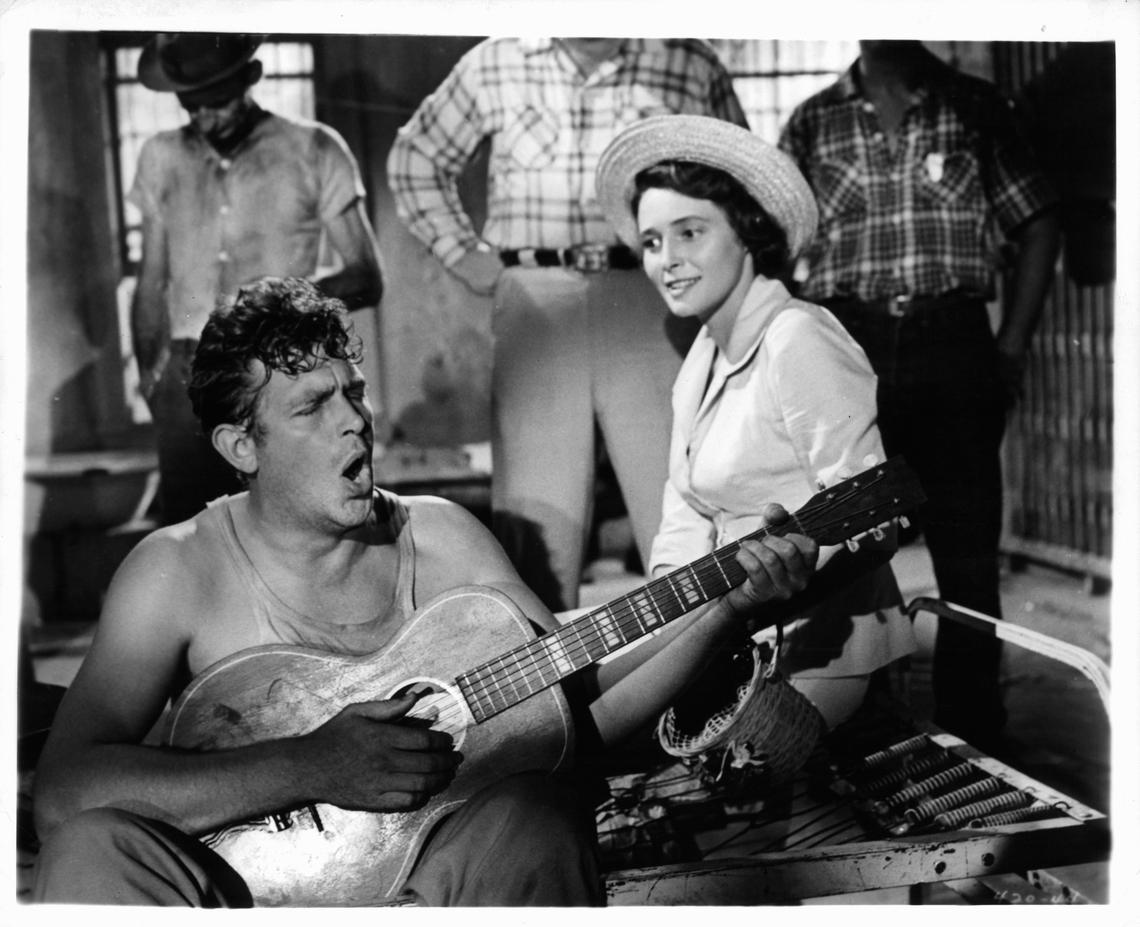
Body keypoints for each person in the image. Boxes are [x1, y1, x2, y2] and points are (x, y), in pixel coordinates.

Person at [31, 276, 820, 906]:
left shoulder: (441, 536)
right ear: (242, 446)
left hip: (430, 880)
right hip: (241, 891)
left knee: (537, 814)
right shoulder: (175, 570)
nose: (355, 422)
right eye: (313, 405)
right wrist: (310, 765)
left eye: (354, 391)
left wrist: (726, 610)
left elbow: (579, 712)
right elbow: (64, 794)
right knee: (90, 850)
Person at [387, 38, 748, 613]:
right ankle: (543, 667)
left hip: (649, 295)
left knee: (682, 502)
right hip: (537, 303)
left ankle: (707, 658)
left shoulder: (686, 59)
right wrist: (463, 254)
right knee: (537, 525)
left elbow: (737, 181)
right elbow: (415, 159)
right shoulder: (497, 60)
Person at [596, 114, 917, 737]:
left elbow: (872, 522)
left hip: (825, 647)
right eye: (653, 242)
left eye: (690, 232)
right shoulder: (698, 362)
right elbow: (686, 511)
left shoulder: (797, 336)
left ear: (747, 232)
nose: (667, 260)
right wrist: (666, 617)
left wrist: (778, 586)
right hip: (732, 637)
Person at [778, 41, 1061, 746]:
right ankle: (856, 729)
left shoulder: (977, 107)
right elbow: (773, 244)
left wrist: (1010, 347)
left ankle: (976, 736)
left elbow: (1040, 223)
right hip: (850, 345)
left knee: (968, 558)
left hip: (953, 342)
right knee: (847, 548)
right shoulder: (813, 120)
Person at [130, 33, 383, 525]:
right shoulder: (160, 155)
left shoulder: (314, 148)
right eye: (191, 106)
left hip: (279, 367)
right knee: (189, 529)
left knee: (290, 520)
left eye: (217, 102)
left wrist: (274, 308)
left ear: (251, 77)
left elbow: (367, 276)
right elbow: (150, 281)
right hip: (184, 373)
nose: (205, 118)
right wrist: (150, 381)